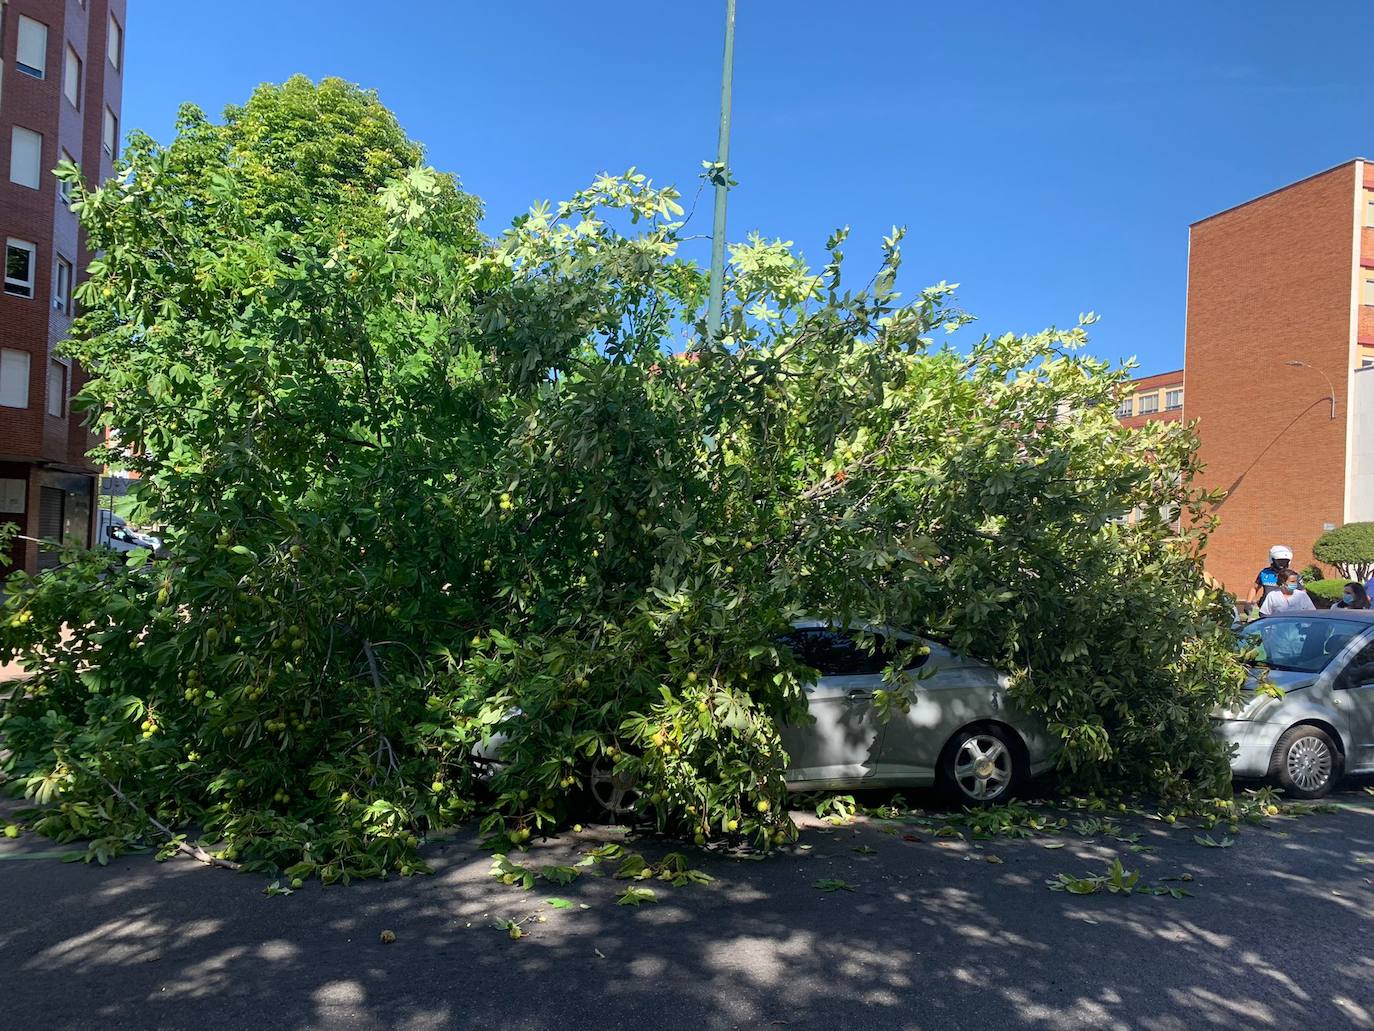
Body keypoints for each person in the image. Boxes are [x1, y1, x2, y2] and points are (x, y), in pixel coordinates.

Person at [1245, 545, 1297, 613]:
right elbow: (1254, 588)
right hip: (1265, 610)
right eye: (1279, 561)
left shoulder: (1293, 575)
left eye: (1284, 561)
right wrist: (1248, 602)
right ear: (1272, 560)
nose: (1282, 563)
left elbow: (1302, 593)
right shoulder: (1264, 573)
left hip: (1286, 611)